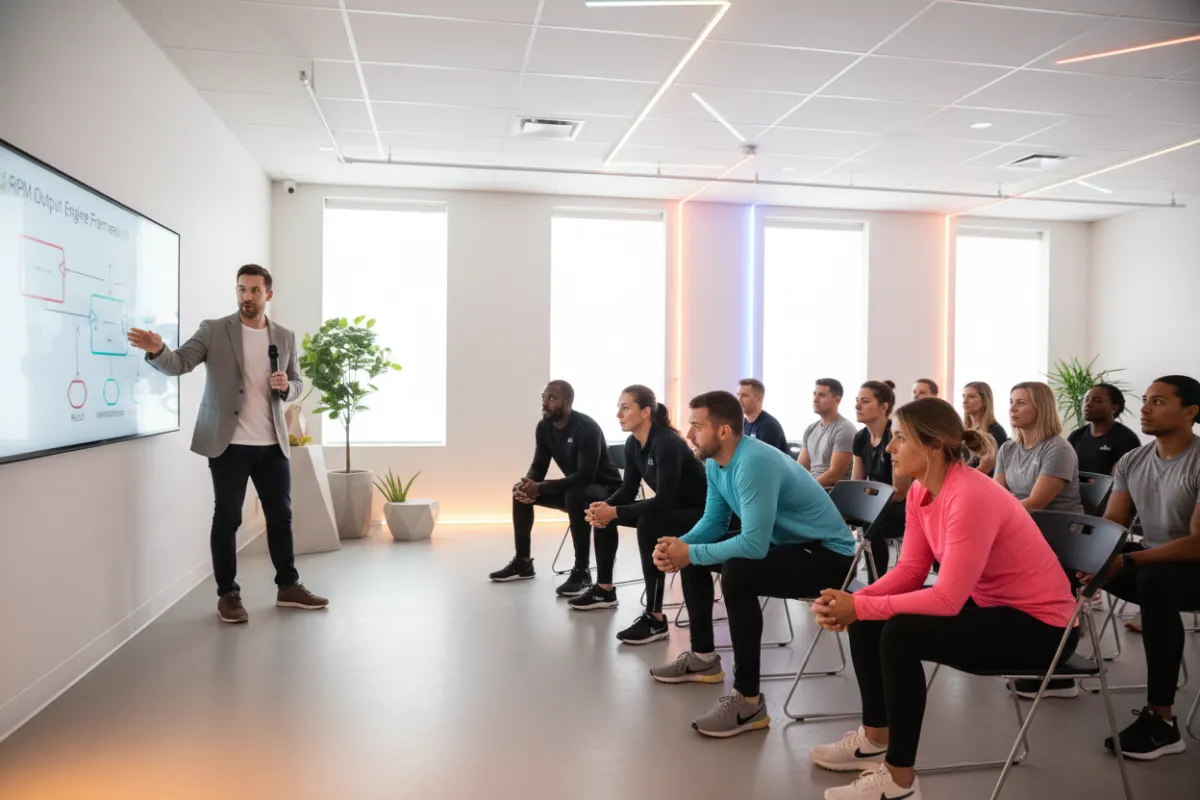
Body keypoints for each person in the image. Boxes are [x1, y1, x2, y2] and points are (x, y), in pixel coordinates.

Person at [807, 398, 1076, 800]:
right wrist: (853, 600)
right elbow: (911, 571)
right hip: (993, 607)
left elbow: (948, 599)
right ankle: (874, 738)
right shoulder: (921, 490)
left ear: (933, 445)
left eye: (899, 438)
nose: (891, 448)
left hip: (1043, 630)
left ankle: (899, 781)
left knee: (899, 632)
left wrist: (858, 605)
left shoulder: (969, 495)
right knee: (871, 617)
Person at [127, 264, 328, 624]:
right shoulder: (214, 330)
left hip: (272, 443)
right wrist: (158, 350)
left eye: (253, 290)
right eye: (241, 289)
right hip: (229, 444)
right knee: (228, 519)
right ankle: (228, 595)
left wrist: (286, 386)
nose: (246, 296)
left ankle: (288, 586)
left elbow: (297, 383)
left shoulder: (284, 336)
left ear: (268, 295)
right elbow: (180, 363)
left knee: (281, 518)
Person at [648, 391, 856, 738]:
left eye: (696, 426)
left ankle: (749, 701)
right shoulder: (716, 462)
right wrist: (683, 545)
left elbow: (754, 546)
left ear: (724, 431)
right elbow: (714, 521)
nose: (688, 434)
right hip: (787, 546)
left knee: (739, 570)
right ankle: (702, 658)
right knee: (699, 553)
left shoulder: (753, 462)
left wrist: (690, 552)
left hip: (827, 558)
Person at [1082, 375, 1200, 761]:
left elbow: (1197, 543)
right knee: (1074, 561)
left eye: (1159, 401)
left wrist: (1127, 560)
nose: (1146, 408)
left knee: (1154, 580)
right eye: (1146, 399)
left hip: (1188, 567)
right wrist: (1093, 559)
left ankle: (1162, 721)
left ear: (1190, 412)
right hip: (1156, 563)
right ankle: (1055, 669)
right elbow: (1115, 524)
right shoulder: (1133, 461)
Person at [581, 385, 707, 644]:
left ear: (646, 412)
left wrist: (614, 510)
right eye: (619, 408)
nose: (619, 414)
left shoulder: (667, 443)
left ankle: (655, 618)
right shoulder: (632, 443)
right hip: (670, 509)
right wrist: (604, 507)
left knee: (649, 522)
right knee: (605, 516)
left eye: (625, 408)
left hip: (699, 513)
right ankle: (604, 590)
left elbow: (664, 501)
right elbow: (628, 490)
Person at [489, 380, 622, 596]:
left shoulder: (586, 428)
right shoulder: (544, 427)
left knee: (574, 494)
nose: (545, 402)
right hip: (577, 490)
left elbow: (585, 475)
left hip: (607, 490)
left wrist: (541, 487)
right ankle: (523, 562)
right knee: (518, 492)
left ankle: (582, 571)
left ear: (568, 402)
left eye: (552, 398)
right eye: (543, 397)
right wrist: (529, 484)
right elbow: (539, 465)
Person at [852, 381, 911, 582]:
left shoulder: (895, 437)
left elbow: (900, 492)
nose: (857, 406)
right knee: (832, 517)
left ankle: (875, 585)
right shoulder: (860, 438)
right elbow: (856, 483)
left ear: (884, 407)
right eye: (857, 401)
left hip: (902, 507)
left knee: (871, 522)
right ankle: (839, 582)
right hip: (876, 503)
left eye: (865, 401)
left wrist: (867, 496)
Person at [996, 381, 1085, 515]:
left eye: (1020, 403)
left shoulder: (1058, 449)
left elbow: (1035, 504)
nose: (1012, 408)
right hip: (1018, 519)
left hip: (1058, 529)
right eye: (1011, 402)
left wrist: (995, 513)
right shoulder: (1007, 448)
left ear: (1041, 408)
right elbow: (997, 494)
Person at [1068, 383, 1142, 476]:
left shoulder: (1127, 439)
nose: (1088, 404)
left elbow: (1123, 481)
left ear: (1114, 408)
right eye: (1086, 399)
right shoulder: (1076, 436)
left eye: (1097, 401)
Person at [798, 378, 855, 487]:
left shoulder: (845, 430)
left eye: (822, 395)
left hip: (830, 491)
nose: (815, 399)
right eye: (814, 394)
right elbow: (800, 467)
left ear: (837, 400)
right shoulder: (810, 429)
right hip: (813, 487)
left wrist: (806, 489)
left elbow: (834, 475)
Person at [962, 381, 1007, 475]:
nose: (964, 401)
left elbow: (986, 469)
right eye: (963, 396)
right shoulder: (962, 431)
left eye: (971, 396)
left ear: (984, 401)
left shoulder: (995, 431)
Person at [736, 378, 789, 453]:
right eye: (738, 394)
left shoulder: (769, 426)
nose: (739, 399)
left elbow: (763, 460)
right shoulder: (743, 424)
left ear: (758, 398)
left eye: (744, 395)